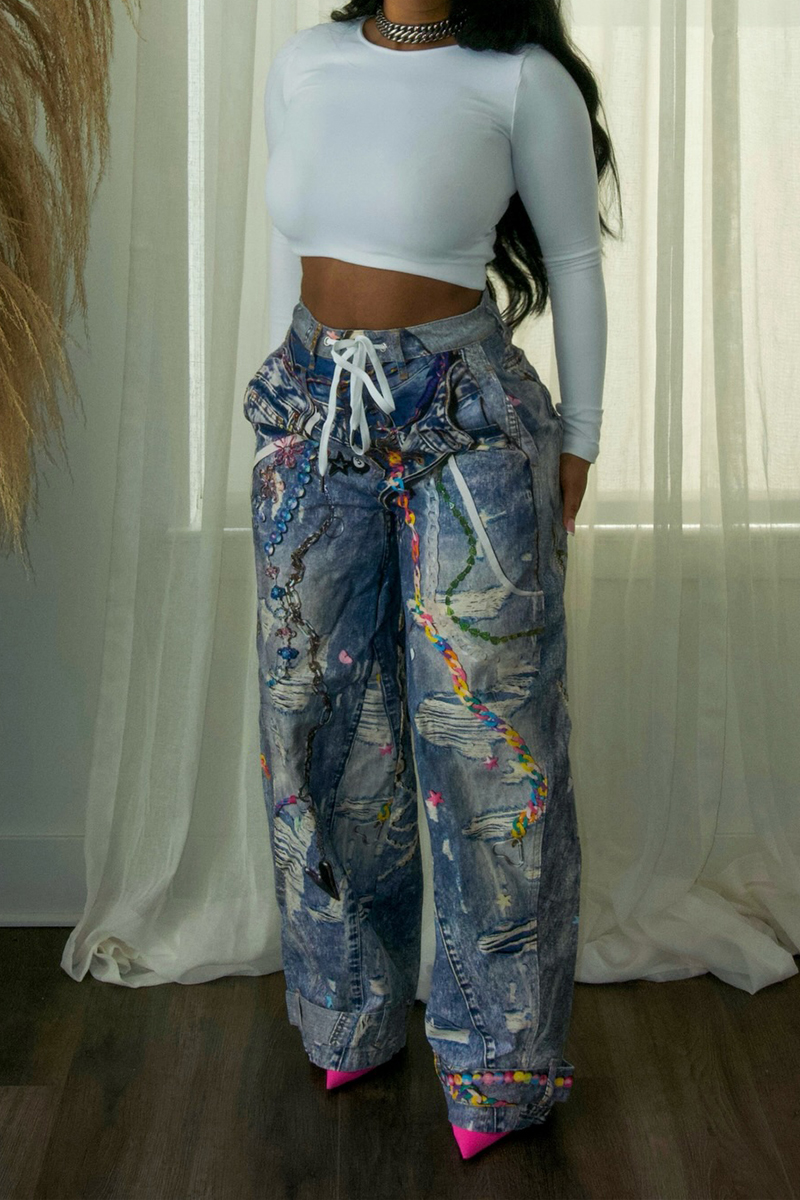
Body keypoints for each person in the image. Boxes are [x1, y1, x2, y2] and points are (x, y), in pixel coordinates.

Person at [243, 0, 619, 1161]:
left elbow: (571, 260)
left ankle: (498, 1066)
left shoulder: (521, 81)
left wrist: (578, 440)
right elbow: (295, 248)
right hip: (315, 407)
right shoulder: (304, 62)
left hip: (467, 418)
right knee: (314, 722)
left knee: (489, 743)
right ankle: (347, 1011)